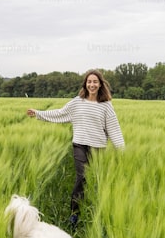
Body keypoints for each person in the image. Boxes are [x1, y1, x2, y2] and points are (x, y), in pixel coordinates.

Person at [27, 70, 125, 227]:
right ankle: (74, 214)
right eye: (89, 82)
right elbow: (60, 114)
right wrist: (38, 113)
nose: (92, 84)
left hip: (98, 147)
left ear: (100, 84)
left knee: (96, 180)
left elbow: (114, 128)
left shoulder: (106, 105)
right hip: (80, 144)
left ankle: (93, 212)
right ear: (85, 84)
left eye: (95, 82)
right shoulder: (77, 102)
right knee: (82, 177)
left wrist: (121, 150)